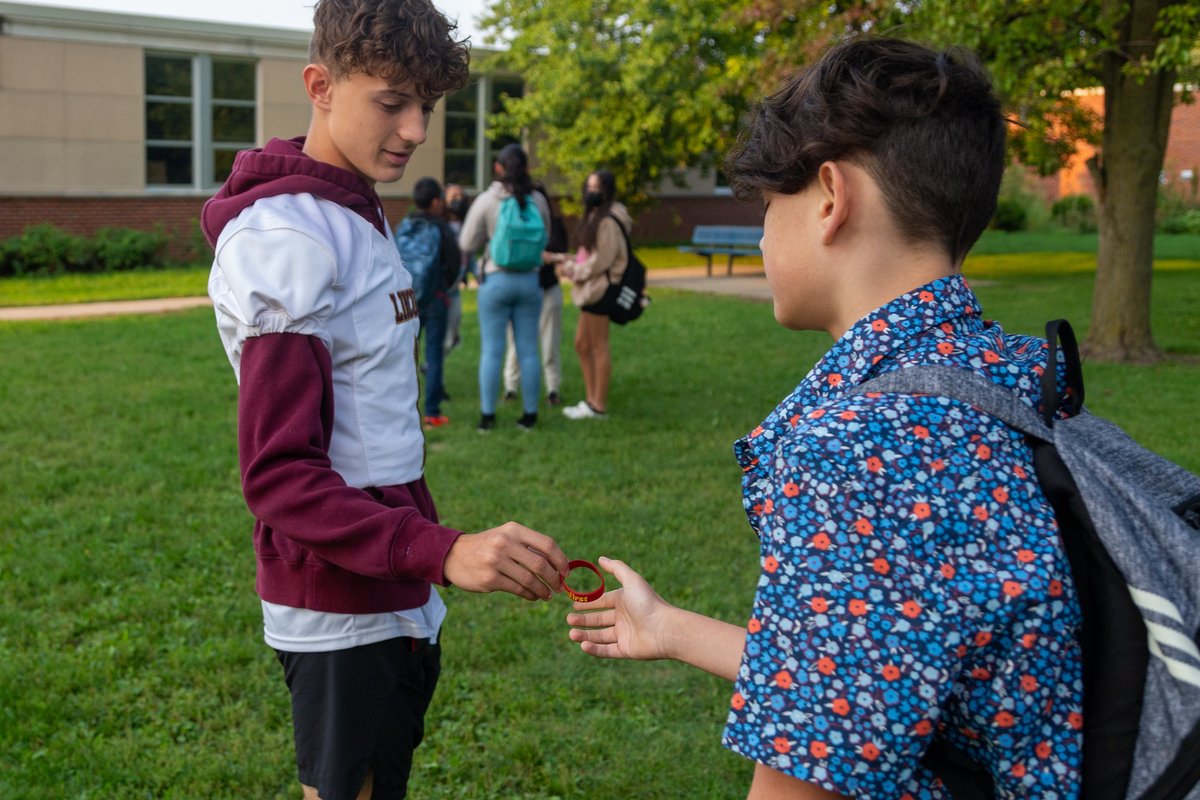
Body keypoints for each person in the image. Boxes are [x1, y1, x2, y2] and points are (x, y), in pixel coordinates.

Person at [567, 37, 1083, 799]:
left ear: (831, 198)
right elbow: (892, 668)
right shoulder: (1017, 377)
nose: (766, 230)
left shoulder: (860, 452)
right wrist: (671, 629)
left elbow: (808, 781)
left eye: (770, 205)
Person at [200, 2, 570, 798]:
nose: (413, 130)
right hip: (339, 595)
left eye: (426, 107)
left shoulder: (352, 206)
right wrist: (443, 550)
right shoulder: (289, 239)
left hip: (388, 576)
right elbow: (278, 476)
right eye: (391, 102)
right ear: (321, 85)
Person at [458, 143, 550, 432]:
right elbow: (545, 237)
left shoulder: (488, 199)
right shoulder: (537, 200)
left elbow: (465, 243)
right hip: (529, 282)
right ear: (526, 168)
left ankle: (487, 417)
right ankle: (530, 415)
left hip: (496, 282)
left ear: (498, 167)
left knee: (492, 351)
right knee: (528, 350)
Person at [556, 169, 632, 420]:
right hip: (591, 289)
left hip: (600, 289)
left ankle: (598, 405)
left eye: (597, 188)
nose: (591, 192)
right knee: (581, 344)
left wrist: (575, 271)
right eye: (589, 187)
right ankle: (590, 400)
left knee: (598, 346)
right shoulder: (596, 216)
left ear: (607, 191)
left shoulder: (609, 220)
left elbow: (602, 261)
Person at [394, 176, 460, 428]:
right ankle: (432, 412)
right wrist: (445, 285)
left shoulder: (405, 225)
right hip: (435, 299)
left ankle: (401, 409)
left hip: (407, 299)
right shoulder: (441, 227)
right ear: (435, 201)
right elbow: (454, 262)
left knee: (406, 354)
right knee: (433, 354)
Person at [502, 180, 569, 407]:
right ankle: (511, 386)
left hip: (548, 288)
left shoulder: (554, 224)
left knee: (550, 343)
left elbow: (561, 252)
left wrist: (551, 256)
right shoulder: (516, 224)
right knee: (515, 342)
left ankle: (552, 389)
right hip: (522, 291)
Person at [441, 182, 472, 361]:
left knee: (453, 332)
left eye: (461, 197)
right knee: (440, 333)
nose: (458, 201)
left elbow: (471, 254)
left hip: (455, 288)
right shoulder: (441, 225)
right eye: (454, 197)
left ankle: (432, 365)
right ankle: (432, 367)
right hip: (442, 287)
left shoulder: (466, 224)